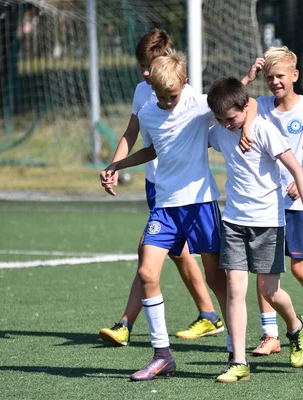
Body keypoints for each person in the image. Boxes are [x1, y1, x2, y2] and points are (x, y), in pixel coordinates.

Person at [101, 52, 257, 381]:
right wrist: (118, 165)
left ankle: (235, 349)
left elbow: (247, 103)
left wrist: (249, 125)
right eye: (160, 96)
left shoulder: (200, 105)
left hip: (200, 203)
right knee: (146, 271)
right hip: (165, 205)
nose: (166, 102)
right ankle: (162, 355)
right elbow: (154, 148)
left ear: (184, 84)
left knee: (217, 279)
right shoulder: (148, 113)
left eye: (171, 96)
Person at [98, 29, 224, 346]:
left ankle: (131, 322)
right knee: (167, 257)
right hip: (159, 188)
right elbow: (137, 136)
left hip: (192, 195)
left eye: (149, 64)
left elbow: (203, 130)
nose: (145, 72)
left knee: (173, 258)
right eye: (142, 66)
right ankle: (201, 320)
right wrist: (115, 165)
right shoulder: (145, 94)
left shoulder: (191, 98)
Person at [207, 77, 303, 383]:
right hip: (233, 221)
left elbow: (297, 169)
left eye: (231, 119)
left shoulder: (264, 130)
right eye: (219, 119)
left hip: (268, 222)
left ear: (245, 108)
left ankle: (296, 326)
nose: (226, 125)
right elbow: (198, 137)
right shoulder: (219, 130)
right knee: (236, 290)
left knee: (271, 291)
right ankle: (238, 362)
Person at [240, 46, 303, 356]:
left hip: (296, 202)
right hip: (265, 203)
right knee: (263, 268)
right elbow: (230, 102)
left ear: (294, 75)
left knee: (300, 270)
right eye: (268, 77)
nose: (274, 82)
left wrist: (301, 179)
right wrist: (248, 77)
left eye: (280, 76)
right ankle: (270, 335)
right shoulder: (260, 105)